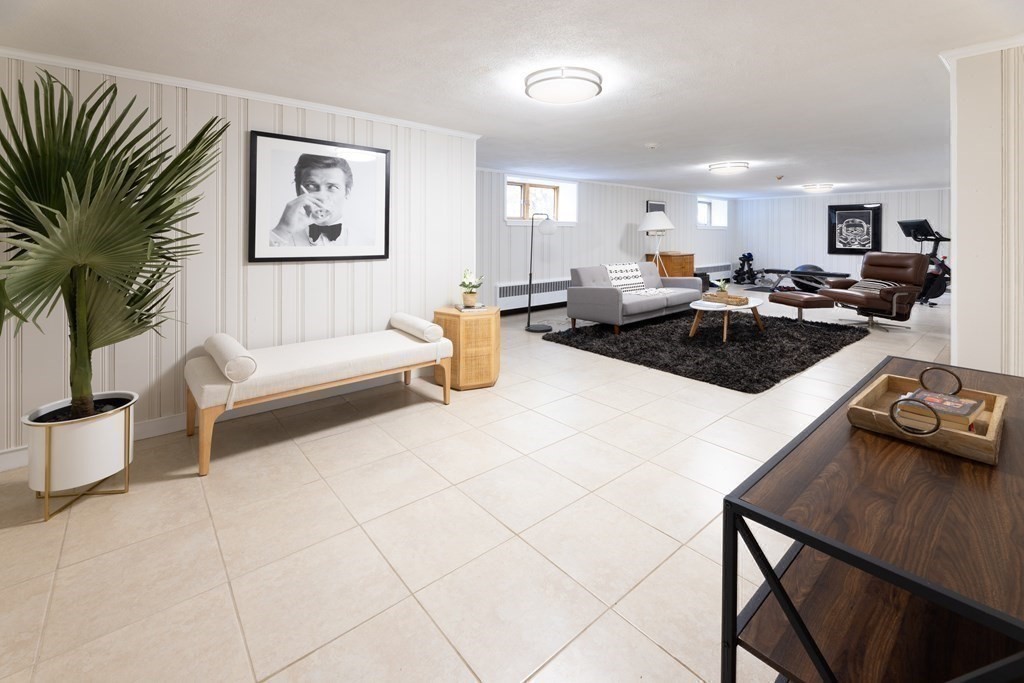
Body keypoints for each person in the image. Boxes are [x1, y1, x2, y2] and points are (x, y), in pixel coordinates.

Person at [269, 154, 354, 246]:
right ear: (298, 191)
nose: (321, 196)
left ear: (347, 192)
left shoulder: (368, 239)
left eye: (332, 187)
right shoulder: (277, 237)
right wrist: (282, 231)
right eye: (311, 186)